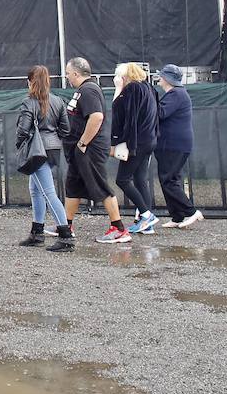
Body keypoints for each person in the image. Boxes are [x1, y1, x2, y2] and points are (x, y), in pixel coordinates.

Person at [62, 57, 131, 243]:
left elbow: (97, 117)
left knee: (101, 186)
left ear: (76, 73)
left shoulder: (89, 90)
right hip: (81, 150)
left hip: (90, 149)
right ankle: (65, 225)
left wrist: (83, 143)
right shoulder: (83, 90)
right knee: (73, 185)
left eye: (68, 73)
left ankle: (119, 229)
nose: (67, 77)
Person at [16, 65, 74, 252]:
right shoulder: (57, 101)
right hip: (53, 148)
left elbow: (23, 130)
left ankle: (66, 236)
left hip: (36, 151)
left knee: (48, 192)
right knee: (36, 189)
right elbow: (65, 129)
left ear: (30, 82)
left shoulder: (29, 102)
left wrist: (20, 144)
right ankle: (37, 233)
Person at [111, 62, 159, 234]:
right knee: (140, 179)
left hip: (136, 142)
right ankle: (146, 224)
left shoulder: (131, 90)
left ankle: (146, 215)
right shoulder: (149, 88)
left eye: (118, 76)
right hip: (149, 140)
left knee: (122, 180)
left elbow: (119, 111)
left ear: (124, 77)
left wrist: (118, 90)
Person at [155, 64, 204, 228]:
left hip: (174, 144)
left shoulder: (176, 94)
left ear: (167, 79)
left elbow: (160, 113)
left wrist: (149, 100)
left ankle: (190, 211)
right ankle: (177, 216)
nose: (159, 79)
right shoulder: (176, 94)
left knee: (168, 180)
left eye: (161, 76)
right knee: (171, 179)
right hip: (172, 144)